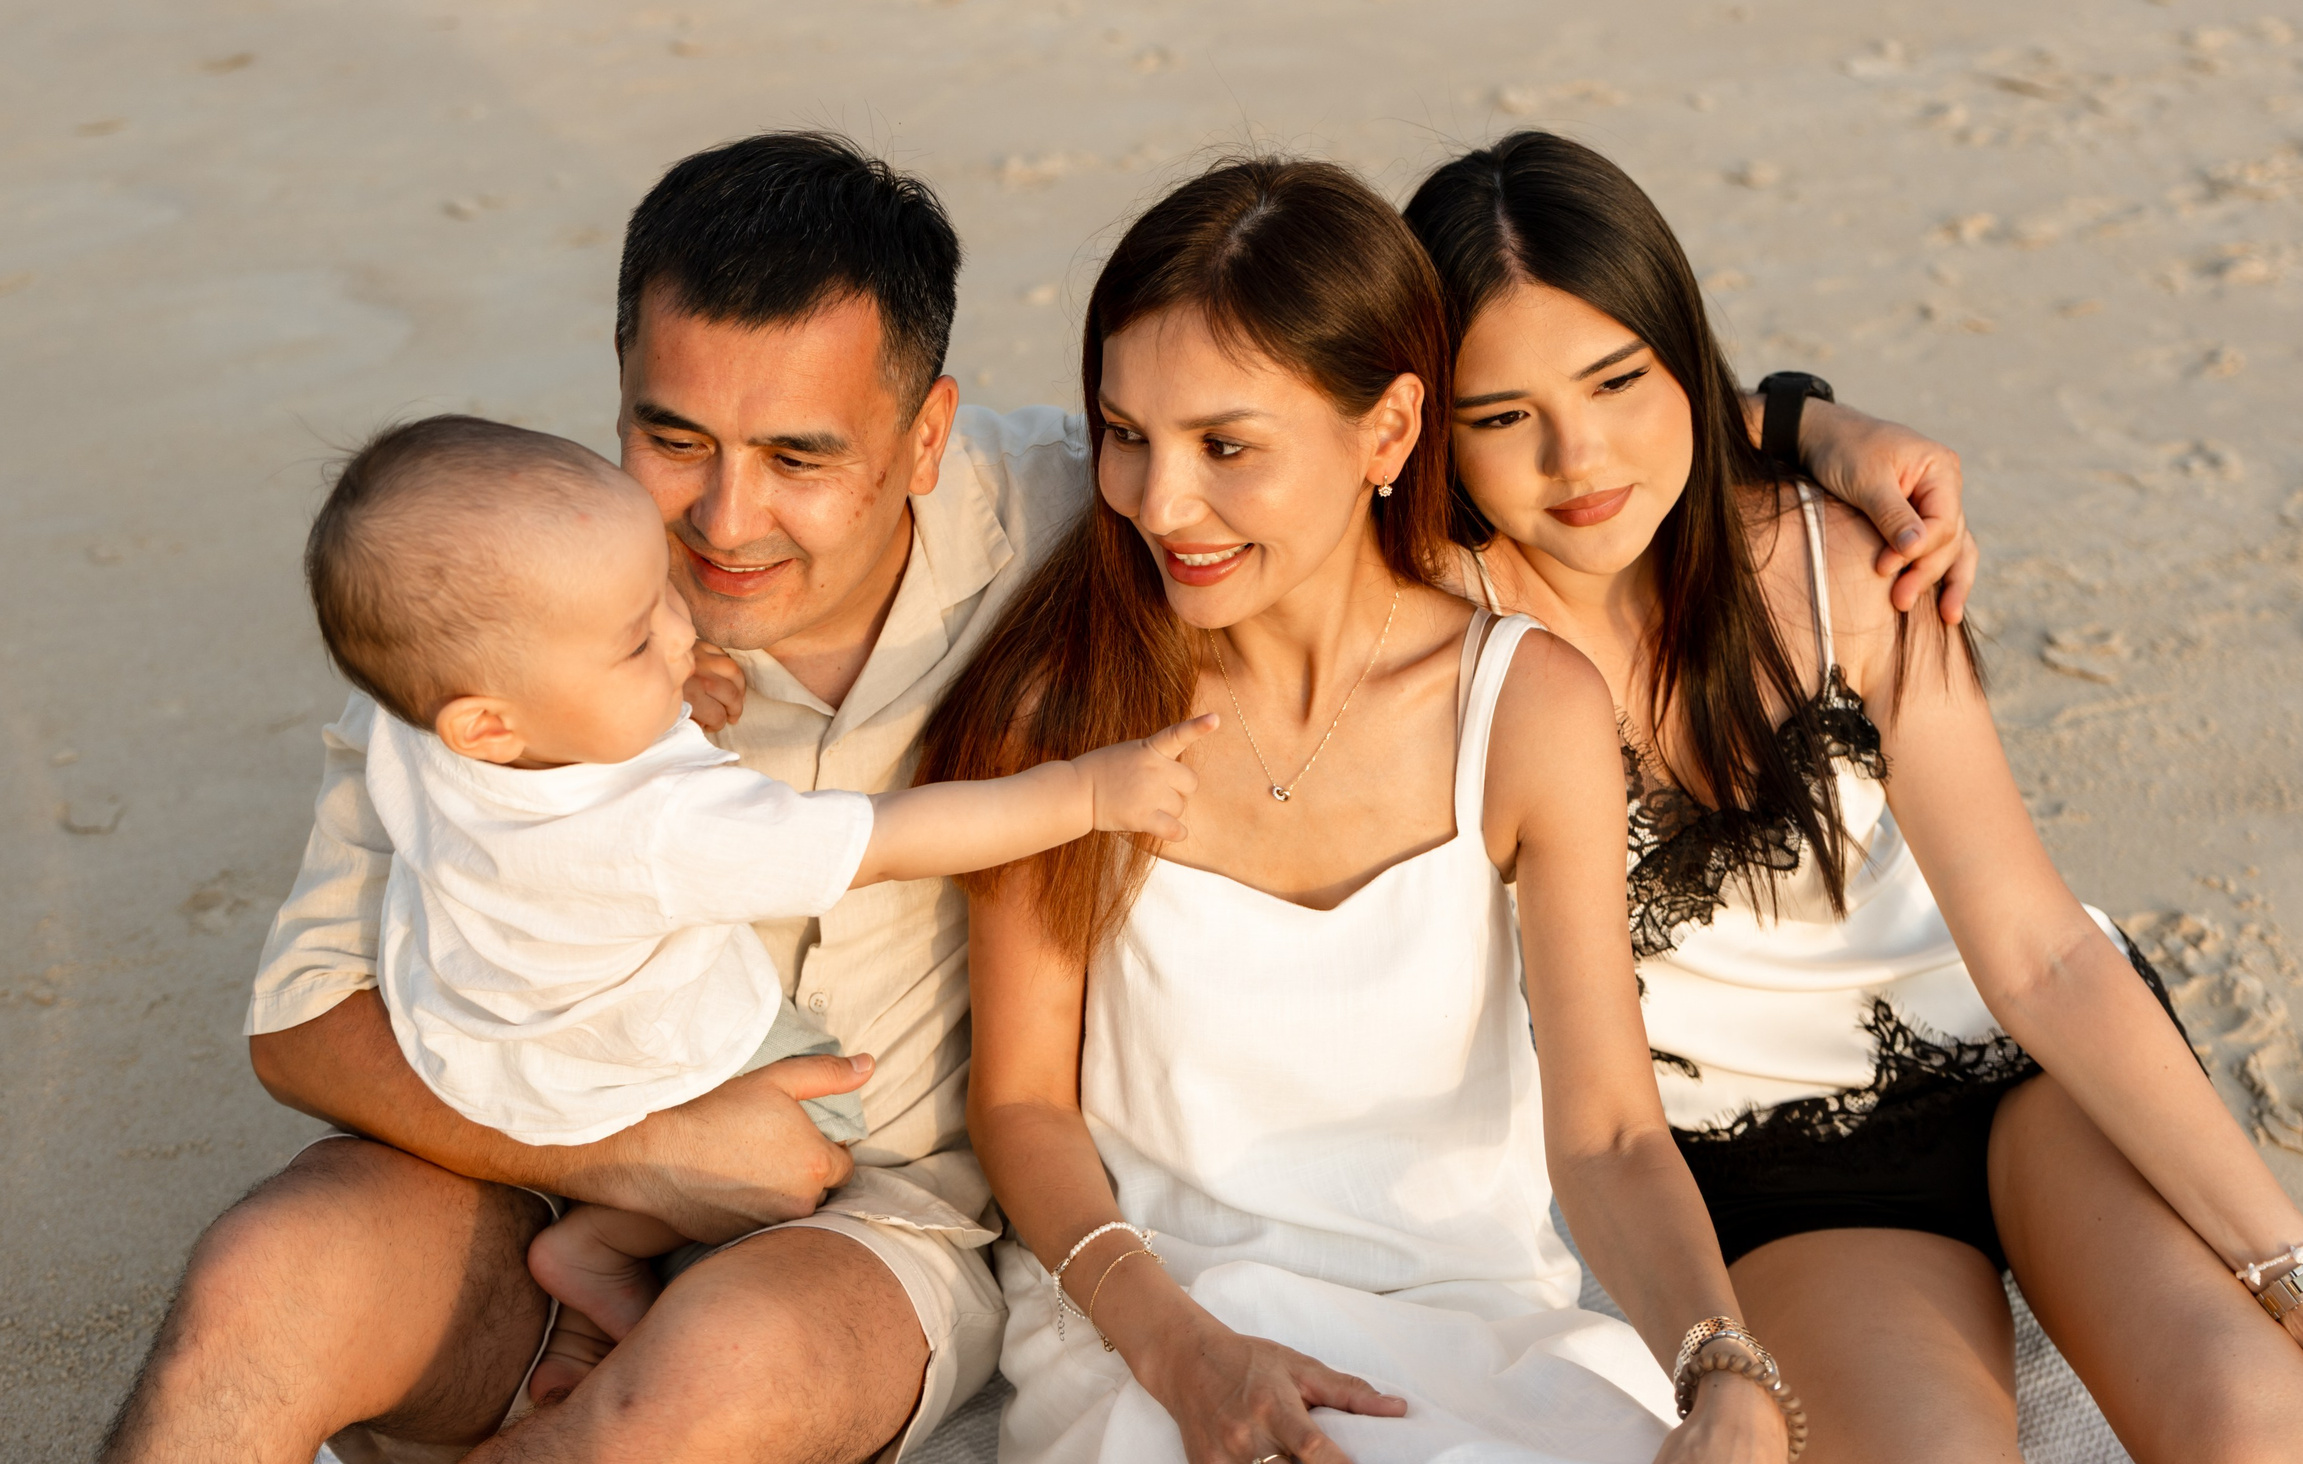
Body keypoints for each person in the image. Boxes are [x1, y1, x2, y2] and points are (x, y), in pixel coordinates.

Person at [101, 129, 1972, 1464]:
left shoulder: (1072, 547)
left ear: (930, 434)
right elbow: (299, 1022)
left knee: (704, 1398)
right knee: (257, 1283)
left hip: (876, 1226)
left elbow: (1518, 408)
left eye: (798, 455)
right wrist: (609, 1165)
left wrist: (1806, 424)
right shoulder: (509, 617)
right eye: (671, 440)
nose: (724, 520)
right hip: (524, 1152)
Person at [1401, 129, 2303, 1463]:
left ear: (1681, 364)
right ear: (1428, 430)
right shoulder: (1432, 631)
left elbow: (2038, 952)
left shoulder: (1830, 561)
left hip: (2018, 1074)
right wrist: (1816, 419)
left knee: (2252, 1426)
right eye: (1499, 418)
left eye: (1617, 381)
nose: (1577, 458)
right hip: (1769, 1171)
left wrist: (2281, 1264)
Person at [926, 156, 1810, 1464]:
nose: (1158, 503)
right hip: (1154, 1324)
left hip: (1476, 1324)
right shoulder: (1065, 711)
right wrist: (1173, 1348)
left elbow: (1609, 1130)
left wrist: (1721, 1365)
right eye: (1124, 436)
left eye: (1224, 446)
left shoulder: (1520, 710)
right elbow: (1020, 1108)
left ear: (1387, 432)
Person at [298, 412, 1208, 1401]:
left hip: (480, 1030)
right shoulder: (664, 824)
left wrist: (656, 687)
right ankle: (609, 1242)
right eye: (639, 638)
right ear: (488, 722)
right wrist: (1085, 793)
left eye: (662, 600)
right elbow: (894, 837)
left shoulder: (428, 734)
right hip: (631, 1056)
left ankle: (580, 1316)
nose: (685, 630)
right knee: (821, 1124)